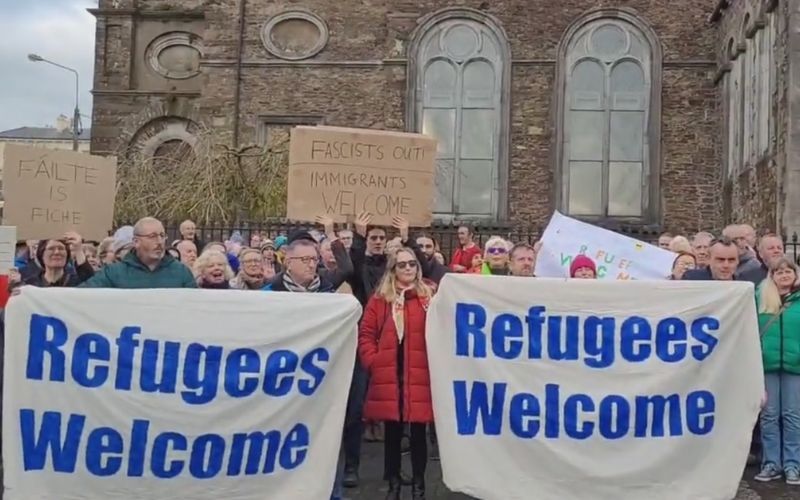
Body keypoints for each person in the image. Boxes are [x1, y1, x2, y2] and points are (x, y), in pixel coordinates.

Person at [359, 248, 435, 500]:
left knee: (417, 435)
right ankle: (392, 483)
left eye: (412, 264)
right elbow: (366, 334)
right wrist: (374, 362)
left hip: (419, 374)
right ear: (393, 269)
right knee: (391, 435)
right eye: (401, 265)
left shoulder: (429, 296)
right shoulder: (381, 299)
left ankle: (419, 485)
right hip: (390, 373)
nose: (407, 269)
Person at [754, 257, 800, 485]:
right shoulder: (759, 298)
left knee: (792, 416)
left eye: (788, 271)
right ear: (772, 276)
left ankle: (793, 464)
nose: (784, 275)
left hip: (795, 366)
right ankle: (772, 462)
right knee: (769, 415)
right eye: (779, 271)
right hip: (767, 365)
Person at [81, 217, 196, 289]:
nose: (159, 242)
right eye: (152, 236)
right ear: (136, 242)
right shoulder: (114, 273)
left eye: (162, 236)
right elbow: (81, 295)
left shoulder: (181, 272)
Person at [17, 232, 94, 289]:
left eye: (61, 248)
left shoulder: (77, 282)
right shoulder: (29, 284)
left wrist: (78, 249)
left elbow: (91, 281)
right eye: (51, 248)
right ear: (41, 255)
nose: (57, 252)